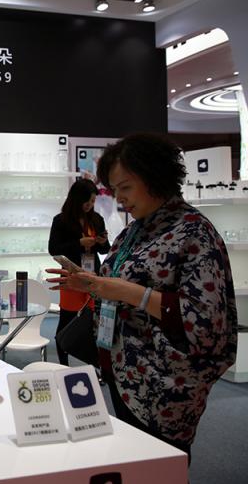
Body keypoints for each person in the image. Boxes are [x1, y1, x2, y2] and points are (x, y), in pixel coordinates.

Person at [47, 133, 237, 460]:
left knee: (161, 465)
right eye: (114, 189)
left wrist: (124, 291)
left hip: (165, 384)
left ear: (155, 177)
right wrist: (92, 284)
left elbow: (206, 321)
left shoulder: (193, 231)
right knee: (136, 461)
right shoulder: (138, 228)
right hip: (126, 373)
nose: (119, 199)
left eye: (125, 187)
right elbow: (119, 277)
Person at [48, 178, 110, 365]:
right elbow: (54, 249)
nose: (90, 205)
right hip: (71, 275)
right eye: (87, 201)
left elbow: (105, 250)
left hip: (93, 275)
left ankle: (94, 363)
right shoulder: (61, 220)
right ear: (77, 199)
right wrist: (79, 243)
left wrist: (101, 242)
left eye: (93, 201)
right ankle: (63, 365)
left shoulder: (96, 219)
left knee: (94, 319)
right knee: (67, 319)